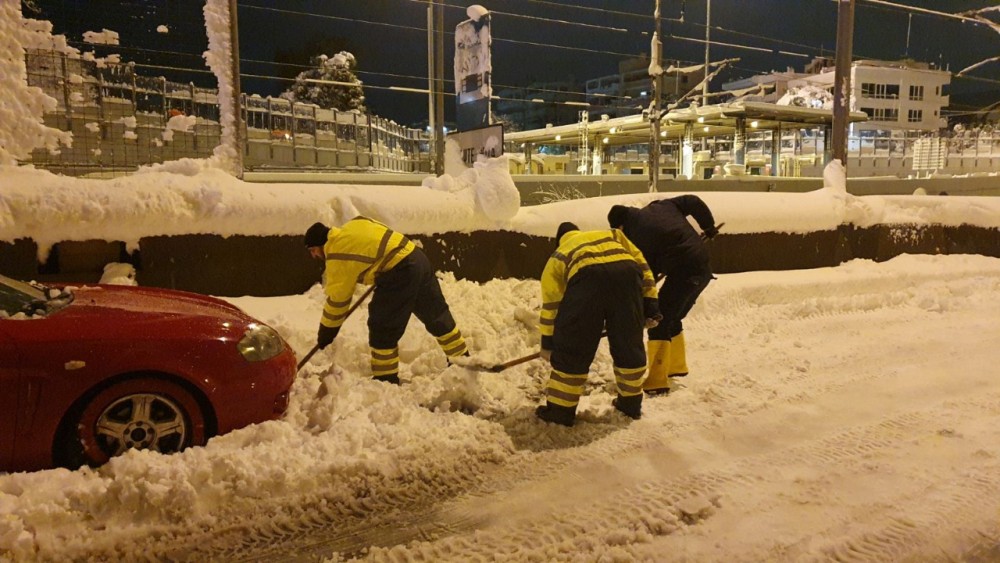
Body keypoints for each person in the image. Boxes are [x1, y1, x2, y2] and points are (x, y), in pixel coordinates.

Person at [303, 217, 469, 384]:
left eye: (313, 251)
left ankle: (385, 379)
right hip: (416, 257)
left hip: (400, 269)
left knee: (382, 324)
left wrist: (326, 331)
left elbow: (337, 301)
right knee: (435, 313)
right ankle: (462, 360)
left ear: (320, 244)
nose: (313, 256)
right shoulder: (354, 224)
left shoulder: (337, 254)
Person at [535, 222, 662, 426]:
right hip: (627, 278)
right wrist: (650, 304)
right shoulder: (613, 236)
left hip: (585, 281)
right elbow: (643, 267)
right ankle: (631, 404)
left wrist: (549, 343)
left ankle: (560, 412)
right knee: (628, 343)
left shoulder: (558, 256)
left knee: (573, 348)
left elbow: (552, 306)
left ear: (560, 240)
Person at [607, 196, 718, 396]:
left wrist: (644, 307)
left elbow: (646, 276)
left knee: (660, 320)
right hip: (702, 267)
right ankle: (676, 365)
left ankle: (657, 381)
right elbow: (692, 201)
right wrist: (708, 226)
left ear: (621, 227)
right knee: (672, 315)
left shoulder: (637, 236)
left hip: (684, 272)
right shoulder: (662, 206)